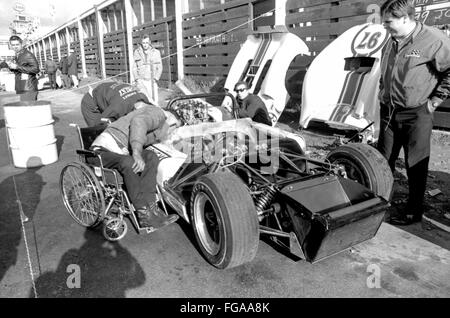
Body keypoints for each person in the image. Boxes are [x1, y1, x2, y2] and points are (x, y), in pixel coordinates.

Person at [377, 0, 450, 225]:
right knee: (383, 160)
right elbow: (386, 72)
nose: (384, 26)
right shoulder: (391, 41)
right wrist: (383, 91)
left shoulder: (434, 40)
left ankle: (414, 210)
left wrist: (435, 101)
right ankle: (380, 202)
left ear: (405, 18)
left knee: (415, 164)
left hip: (417, 113)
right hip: (389, 111)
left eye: (388, 22)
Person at [90, 102, 181, 229]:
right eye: (174, 127)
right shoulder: (159, 114)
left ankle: (152, 208)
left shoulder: (158, 123)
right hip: (102, 150)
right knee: (130, 162)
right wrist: (137, 154)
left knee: (151, 157)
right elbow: (138, 122)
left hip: (120, 150)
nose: (172, 132)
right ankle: (143, 215)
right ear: (172, 121)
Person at [81, 81, 151, 127]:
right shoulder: (118, 107)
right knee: (99, 131)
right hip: (91, 102)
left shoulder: (143, 97)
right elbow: (102, 121)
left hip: (108, 97)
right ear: (134, 109)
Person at [0, 35, 39, 101]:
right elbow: (19, 69)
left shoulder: (27, 54)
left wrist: (17, 66)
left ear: (21, 44)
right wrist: (11, 67)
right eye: (13, 45)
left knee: (30, 108)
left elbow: (36, 69)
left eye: (17, 44)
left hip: (29, 86)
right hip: (23, 85)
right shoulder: (18, 55)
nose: (15, 47)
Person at [132, 34, 162, 104]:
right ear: (141, 43)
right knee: (143, 103)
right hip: (141, 81)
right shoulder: (137, 52)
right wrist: (137, 79)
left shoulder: (156, 52)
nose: (145, 45)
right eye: (143, 43)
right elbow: (134, 67)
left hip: (152, 81)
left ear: (149, 42)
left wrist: (156, 78)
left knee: (154, 103)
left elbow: (160, 67)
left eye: (146, 43)